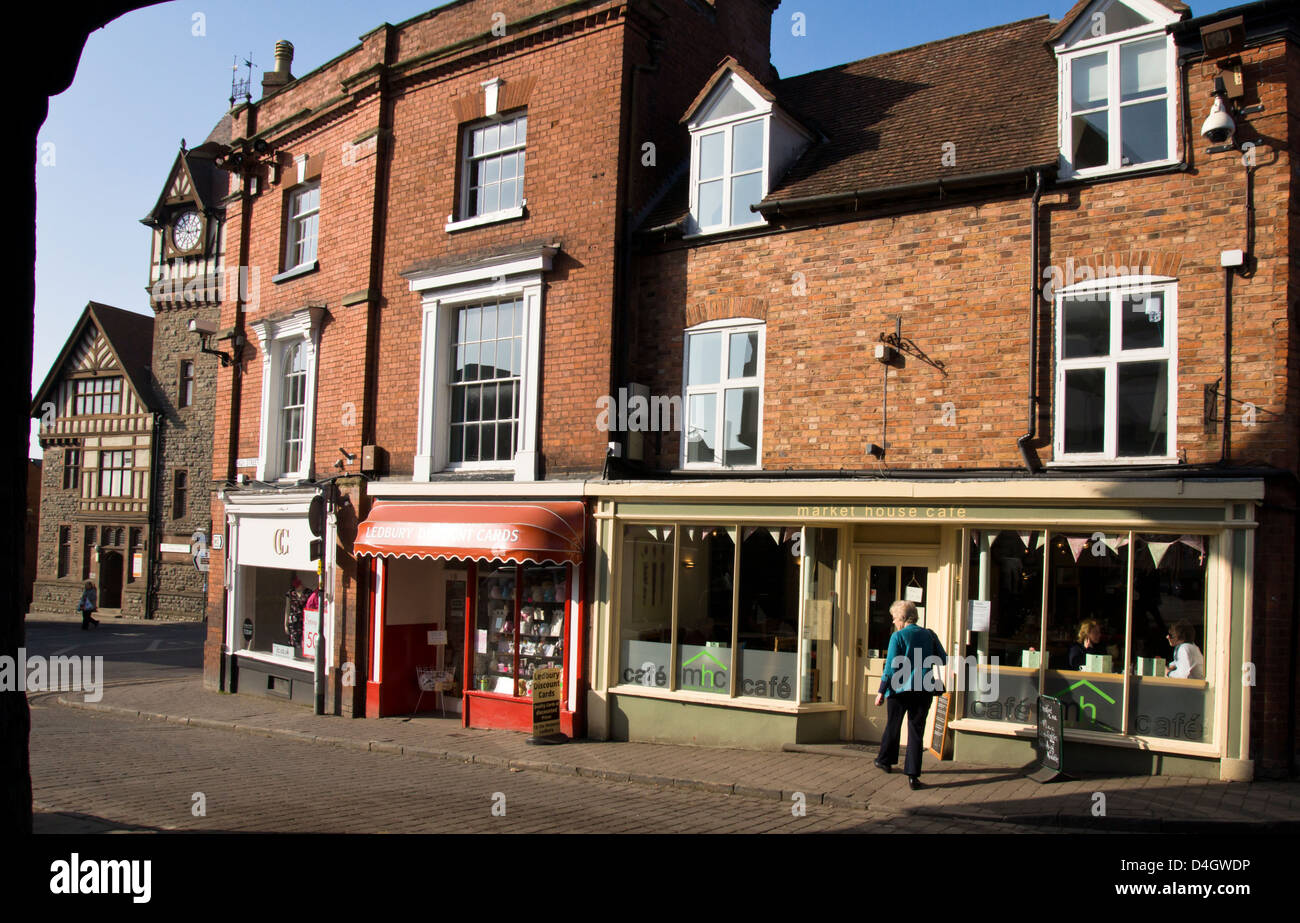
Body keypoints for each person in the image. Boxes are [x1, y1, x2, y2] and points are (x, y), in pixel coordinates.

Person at [874, 599, 947, 790]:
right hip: (923, 690)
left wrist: (881, 691)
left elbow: (890, 667)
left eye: (894, 618)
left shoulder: (897, 637)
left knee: (893, 725)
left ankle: (885, 761)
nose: (893, 622)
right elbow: (943, 659)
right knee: (916, 731)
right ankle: (913, 776)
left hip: (899, 690)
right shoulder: (929, 635)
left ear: (902, 618)